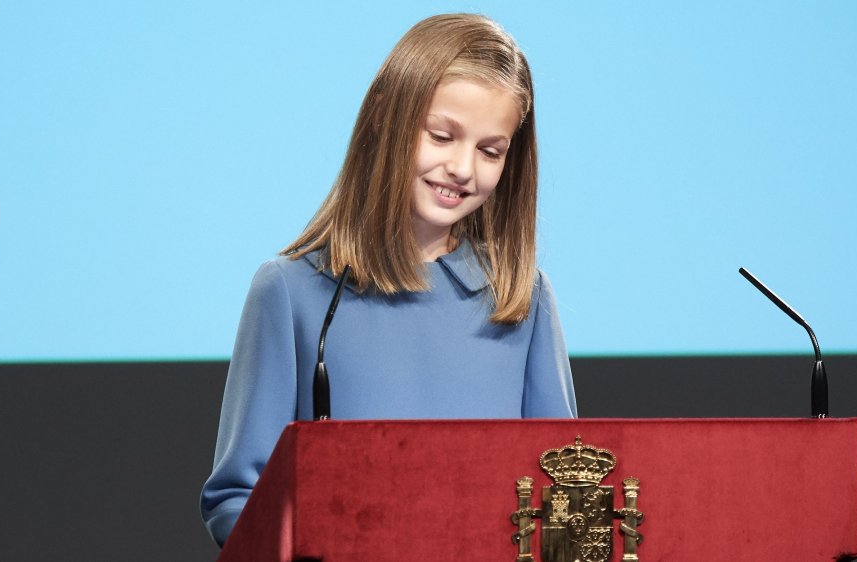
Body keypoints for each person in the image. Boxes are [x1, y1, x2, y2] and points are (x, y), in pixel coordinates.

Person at [200, 13, 577, 546]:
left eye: (490, 150)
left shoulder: (522, 299)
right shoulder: (291, 291)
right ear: (383, 116)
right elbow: (237, 497)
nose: (463, 168)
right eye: (442, 136)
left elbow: (563, 498)